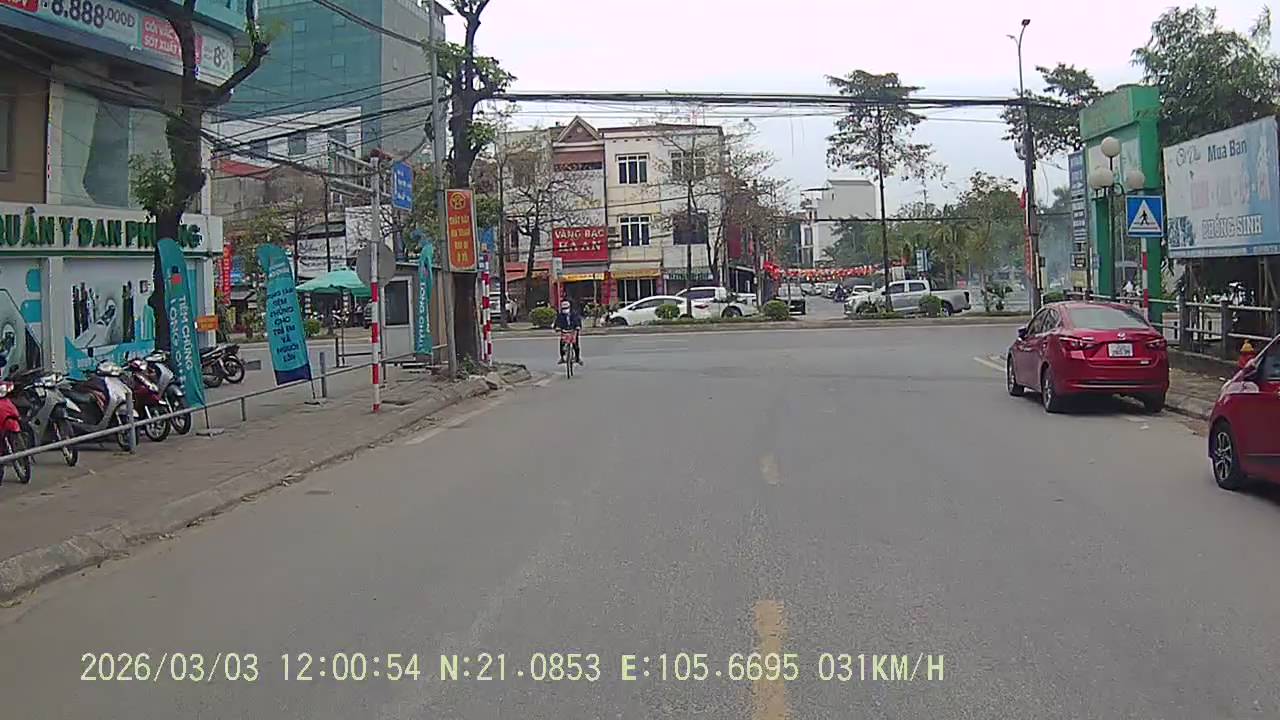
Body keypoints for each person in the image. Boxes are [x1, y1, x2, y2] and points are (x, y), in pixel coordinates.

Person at [553, 300, 582, 365]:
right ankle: (562, 358)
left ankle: (577, 358)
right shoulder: (560, 315)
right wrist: (557, 327)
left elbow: (577, 321)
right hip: (564, 331)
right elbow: (557, 323)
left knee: (576, 345)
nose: (565, 310)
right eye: (563, 308)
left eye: (566, 308)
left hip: (573, 331)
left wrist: (578, 326)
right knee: (562, 344)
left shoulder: (574, 314)